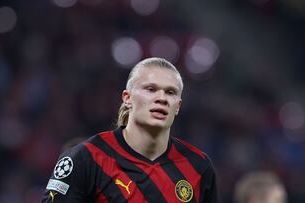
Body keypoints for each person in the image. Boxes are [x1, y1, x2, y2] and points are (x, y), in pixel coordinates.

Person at [42, 57, 217, 203]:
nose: (161, 98)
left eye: (170, 92)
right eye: (151, 89)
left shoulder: (199, 166)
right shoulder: (87, 158)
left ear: (177, 107)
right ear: (127, 98)